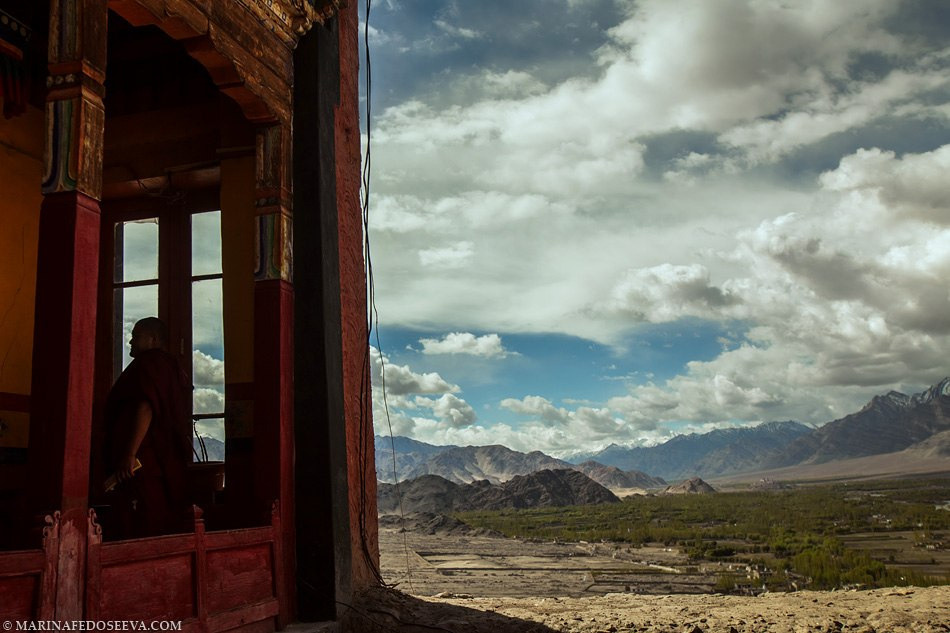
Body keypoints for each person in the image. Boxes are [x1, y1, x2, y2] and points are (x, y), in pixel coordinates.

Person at [101, 317, 192, 538]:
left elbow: (146, 406)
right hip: (154, 459)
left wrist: (130, 453)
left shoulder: (152, 364)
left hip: (143, 460)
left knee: (142, 522)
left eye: (135, 336)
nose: (130, 341)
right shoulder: (163, 365)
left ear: (152, 339)